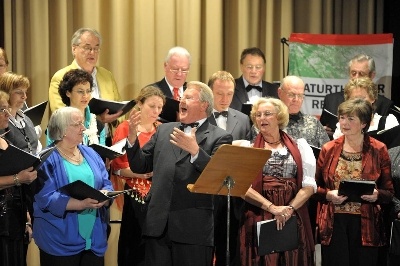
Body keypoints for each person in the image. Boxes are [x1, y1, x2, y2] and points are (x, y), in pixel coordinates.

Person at [125, 81, 233, 266]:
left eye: (188, 97)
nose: (181, 100)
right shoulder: (165, 130)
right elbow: (140, 166)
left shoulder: (220, 137)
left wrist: (196, 152)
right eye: (181, 97)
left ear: (204, 105)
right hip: (157, 227)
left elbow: (219, 176)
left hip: (193, 229)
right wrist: (132, 139)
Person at [237, 97, 316, 266]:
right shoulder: (248, 148)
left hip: (292, 213)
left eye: (267, 114)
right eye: (258, 115)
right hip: (259, 212)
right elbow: (242, 188)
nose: (261, 118)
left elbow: (309, 186)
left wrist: (288, 209)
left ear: (279, 117)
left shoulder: (300, 146)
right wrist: (272, 208)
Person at [314, 98, 394, 266]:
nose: (344, 123)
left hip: (366, 223)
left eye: (351, 119)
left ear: (364, 123)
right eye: (342, 117)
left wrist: (377, 195)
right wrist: (328, 194)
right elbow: (315, 188)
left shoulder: (378, 149)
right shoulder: (329, 149)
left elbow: (389, 192)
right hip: (334, 223)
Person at [32, 106, 113, 266]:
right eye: (77, 124)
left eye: (82, 123)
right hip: (59, 241)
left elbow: (106, 182)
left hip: (94, 239)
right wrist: (81, 204)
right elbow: (46, 197)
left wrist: (106, 195)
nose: (83, 128)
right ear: (62, 130)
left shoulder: (91, 153)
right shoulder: (46, 159)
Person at [111, 86, 165, 266]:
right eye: (152, 106)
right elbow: (117, 167)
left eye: (159, 107)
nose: (156, 111)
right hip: (135, 192)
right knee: (135, 244)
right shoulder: (125, 127)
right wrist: (142, 173)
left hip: (158, 193)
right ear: (140, 104)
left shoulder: (162, 129)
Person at [207, 70, 250, 266]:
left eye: (229, 93)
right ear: (210, 92)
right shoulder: (200, 116)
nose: (225, 99)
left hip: (233, 192)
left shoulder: (242, 119)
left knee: (231, 245)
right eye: (219, 93)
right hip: (207, 191)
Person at [48, 28, 122, 140]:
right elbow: (61, 115)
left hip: (107, 138)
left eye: (96, 48)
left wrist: (115, 118)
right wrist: (98, 120)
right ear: (74, 49)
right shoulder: (61, 77)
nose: (92, 52)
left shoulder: (107, 75)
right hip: (76, 140)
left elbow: (119, 106)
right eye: (87, 48)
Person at [0, 90, 38, 266]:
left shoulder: (5, 139)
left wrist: (27, 217)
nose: (7, 114)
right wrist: (18, 178)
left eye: (7, 109)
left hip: (15, 214)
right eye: (2, 110)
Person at [320, 54, 394, 136]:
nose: (357, 77)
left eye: (361, 74)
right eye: (353, 73)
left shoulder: (385, 106)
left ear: (372, 75)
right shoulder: (331, 99)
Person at [46, 69, 106, 146]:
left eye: (88, 91)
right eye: (80, 91)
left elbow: (101, 155)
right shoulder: (57, 123)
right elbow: (50, 153)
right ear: (68, 93)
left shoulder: (98, 124)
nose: (85, 96)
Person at [332, 77, 399, 139]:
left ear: (373, 98)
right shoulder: (343, 125)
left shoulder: (388, 122)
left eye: (362, 98)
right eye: (353, 99)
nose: (358, 103)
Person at [148, 46, 191, 122]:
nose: (179, 74)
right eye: (175, 69)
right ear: (165, 66)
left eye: (184, 70)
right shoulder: (151, 91)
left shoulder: (193, 91)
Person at [230, 47, 279, 111]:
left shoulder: (275, 90)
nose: (253, 71)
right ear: (241, 66)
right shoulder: (231, 87)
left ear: (264, 68)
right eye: (249, 67)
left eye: (258, 67)